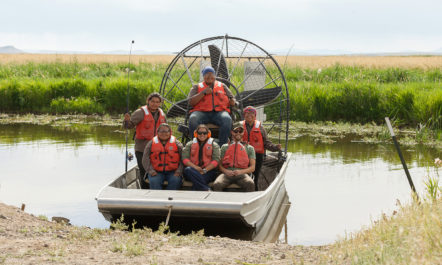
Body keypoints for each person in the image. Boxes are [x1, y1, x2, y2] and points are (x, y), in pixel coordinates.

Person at [123, 92, 166, 189]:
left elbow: (166, 131)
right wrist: (126, 121)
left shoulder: (162, 114)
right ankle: (144, 191)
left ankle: (155, 189)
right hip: (142, 148)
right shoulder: (140, 112)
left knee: (156, 170)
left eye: (157, 102)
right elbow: (128, 126)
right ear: (148, 101)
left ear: (160, 103)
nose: (155, 104)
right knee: (144, 171)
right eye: (153, 101)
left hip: (157, 148)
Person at [188, 66, 236, 147]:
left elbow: (232, 98)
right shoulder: (197, 87)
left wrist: (232, 101)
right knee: (193, 119)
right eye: (207, 74)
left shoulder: (222, 85)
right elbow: (191, 102)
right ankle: (196, 144)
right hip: (201, 112)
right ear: (203, 76)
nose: (209, 76)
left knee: (227, 119)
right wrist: (203, 92)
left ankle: (222, 145)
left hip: (219, 112)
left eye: (211, 74)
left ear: (215, 76)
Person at [241, 106, 282, 191]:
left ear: (255, 115)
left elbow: (266, 142)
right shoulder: (239, 126)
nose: (249, 115)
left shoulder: (260, 127)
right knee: (245, 176)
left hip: (257, 155)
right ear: (244, 115)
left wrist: (275, 147)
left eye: (252, 113)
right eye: (247, 113)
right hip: (243, 155)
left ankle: (255, 190)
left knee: (256, 176)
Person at [213, 123, 255, 192]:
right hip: (226, 174)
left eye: (240, 131)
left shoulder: (250, 148)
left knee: (250, 183)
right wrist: (226, 171)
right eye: (235, 131)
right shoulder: (224, 147)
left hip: (242, 174)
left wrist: (240, 171)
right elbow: (220, 165)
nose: (238, 133)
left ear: (243, 132)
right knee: (217, 184)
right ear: (232, 132)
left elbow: (252, 168)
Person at [142, 123, 183, 190]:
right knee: (155, 182)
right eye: (161, 131)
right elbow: (145, 159)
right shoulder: (150, 143)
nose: (164, 133)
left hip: (173, 172)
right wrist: (151, 171)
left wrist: (179, 171)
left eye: (166, 131)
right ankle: (158, 199)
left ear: (170, 132)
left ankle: (170, 198)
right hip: (156, 171)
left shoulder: (177, 143)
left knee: (176, 181)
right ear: (157, 132)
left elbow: (183, 159)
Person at [182, 124, 220, 191]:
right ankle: (206, 189)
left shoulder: (214, 145)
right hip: (192, 170)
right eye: (200, 133)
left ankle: (202, 190)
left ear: (208, 134)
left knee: (196, 182)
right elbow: (185, 159)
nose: (202, 134)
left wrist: (204, 170)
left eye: (204, 133)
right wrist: (195, 168)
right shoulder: (189, 144)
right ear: (196, 133)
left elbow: (216, 161)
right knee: (187, 170)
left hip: (208, 172)